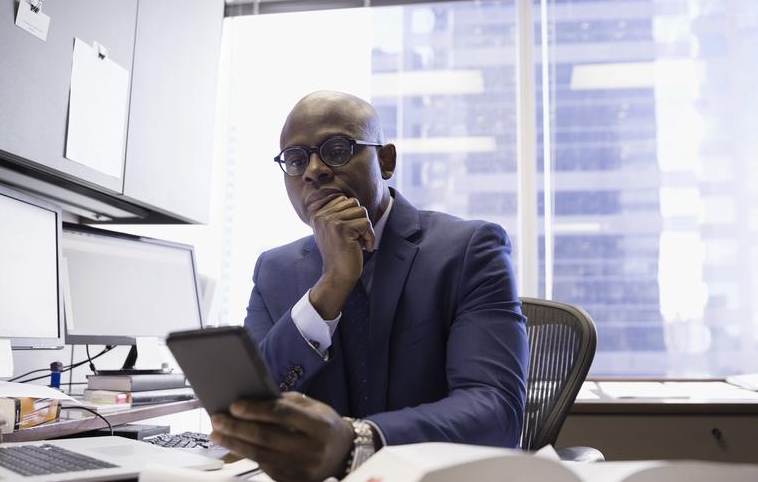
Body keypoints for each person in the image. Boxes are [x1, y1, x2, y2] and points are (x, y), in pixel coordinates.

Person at [209, 91, 528, 482]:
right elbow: (250, 402)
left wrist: (355, 443)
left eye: (337, 150)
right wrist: (331, 286)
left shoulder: (467, 249)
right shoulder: (273, 269)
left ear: (386, 160)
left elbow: (496, 409)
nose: (312, 171)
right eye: (295, 160)